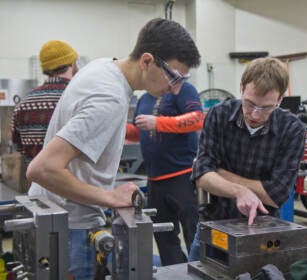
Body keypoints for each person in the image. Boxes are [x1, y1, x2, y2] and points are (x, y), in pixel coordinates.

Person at [26, 18, 201, 279]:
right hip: (70, 225)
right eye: (173, 76)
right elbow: (42, 169)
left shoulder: (104, 66)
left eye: (182, 80)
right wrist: (110, 197)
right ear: (146, 61)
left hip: (57, 214)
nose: (175, 88)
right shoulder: (109, 98)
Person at [188, 57, 306, 261]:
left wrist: (219, 173)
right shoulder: (218, 115)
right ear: (241, 87)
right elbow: (201, 176)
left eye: (266, 107)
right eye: (250, 103)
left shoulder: (292, 130)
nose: (255, 114)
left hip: (261, 233)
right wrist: (239, 191)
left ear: (280, 99)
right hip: (213, 225)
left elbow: (276, 194)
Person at [126, 81, 204, 265]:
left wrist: (158, 123)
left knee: (194, 236)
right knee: (163, 238)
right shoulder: (144, 98)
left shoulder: (183, 89)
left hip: (183, 176)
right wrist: (119, 129)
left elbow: (197, 119)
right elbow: (140, 132)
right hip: (155, 180)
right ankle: (175, 273)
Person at [12, 40, 78, 165]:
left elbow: (18, 147)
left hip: (36, 181)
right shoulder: (79, 97)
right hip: (73, 182)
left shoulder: (23, 103)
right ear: (72, 63)